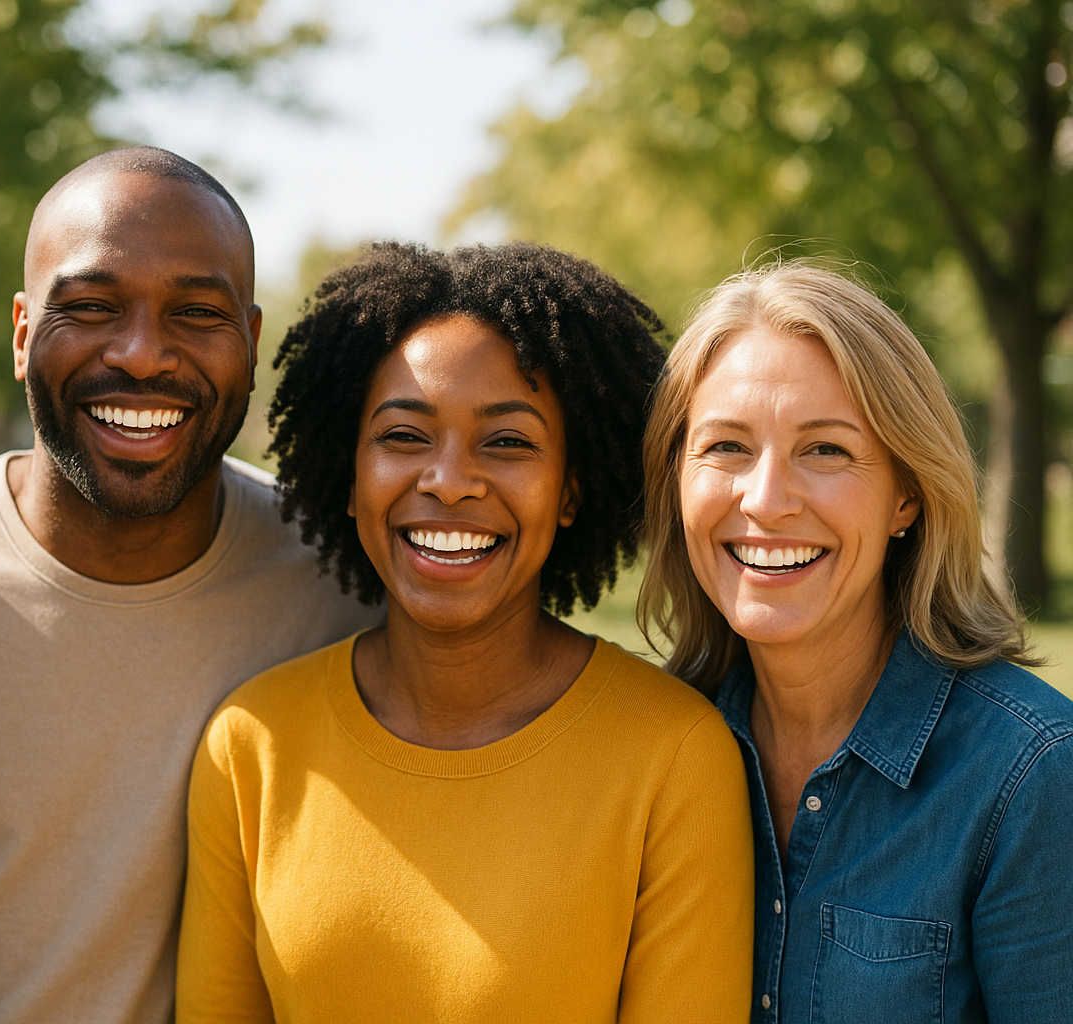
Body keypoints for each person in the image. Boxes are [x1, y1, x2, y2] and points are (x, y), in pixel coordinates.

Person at [0, 147, 379, 1024]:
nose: (144, 354)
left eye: (196, 312)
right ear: (19, 333)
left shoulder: (343, 592)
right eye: (89, 307)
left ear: (252, 343)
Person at [176, 242, 755, 1023]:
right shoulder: (251, 748)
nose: (448, 480)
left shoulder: (674, 757)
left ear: (571, 491)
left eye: (508, 442)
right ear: (350, 478)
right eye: (404, 437)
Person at [637, 262, 1073, 1024]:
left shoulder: (1030, 775)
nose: (766, 500)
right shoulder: (653, 753)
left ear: (907, 493)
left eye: (826, 450)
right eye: (727, 447)